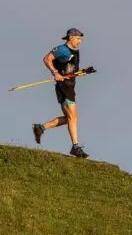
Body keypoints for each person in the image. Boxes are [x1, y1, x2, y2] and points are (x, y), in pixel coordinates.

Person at [31, 28, 95, 159]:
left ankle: (41, 128)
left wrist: (83, 71)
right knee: (73, 116)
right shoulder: (62, 49)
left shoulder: (74, 51)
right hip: (64, 86)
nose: (80, 41)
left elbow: (70, 69)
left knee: (69, 119)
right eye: (78, 38)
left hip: (70, 86)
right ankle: (75, 147)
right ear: (70, 37)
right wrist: (55, 73)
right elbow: (47, 59)